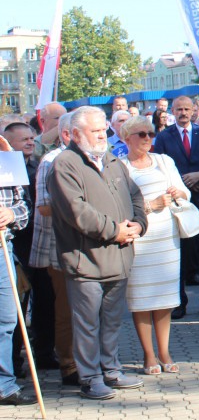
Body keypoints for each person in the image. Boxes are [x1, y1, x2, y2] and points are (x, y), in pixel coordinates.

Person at [48, 106, 148, 400]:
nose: (102, 135)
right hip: (86, 261)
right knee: (87, 323)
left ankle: (111, 370)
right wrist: (114, 230)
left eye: (103, 129)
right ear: (76, 134)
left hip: (120, 256)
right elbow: (76, 211)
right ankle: (90, 378)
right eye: (95, 131)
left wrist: (138, 225)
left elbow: (135, 196)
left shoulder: (112, 160)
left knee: (112, 320)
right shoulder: (64, 164)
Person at [119, 116, 189, 375]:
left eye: (150, 133)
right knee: (141, 299)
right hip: (139, 238)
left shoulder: (164, 161)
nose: (148, 138)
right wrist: (151, 206)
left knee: (165, 298)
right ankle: (148, 354)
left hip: (166, 238)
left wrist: (179, 194)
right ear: (127, 138)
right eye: (141, 134)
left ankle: (165, 351)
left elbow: (184, 191)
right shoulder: (120, 167)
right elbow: (121, 206)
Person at [153, 95, 199, 319]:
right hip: (177, 201)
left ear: (194, 111)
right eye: (178, 109)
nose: (183, 113)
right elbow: (159, 166)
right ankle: (178, 302)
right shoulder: (164, 137)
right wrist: (177, 185)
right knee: (180, 254)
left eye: (187, 109)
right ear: (172, 111)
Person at [30, 113, 78, 387]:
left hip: (89, 247)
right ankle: (69, 365)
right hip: (60, 247)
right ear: (68, 134)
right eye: (91, 131)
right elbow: (44, 207)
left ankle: (90, 360)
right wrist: (86, 214)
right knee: (66, 310)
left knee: (87, 309)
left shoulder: (96, 159)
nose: (100, 137)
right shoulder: (51, 161)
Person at [0, 133, 31, 406]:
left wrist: (11, 215)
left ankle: (4, 385)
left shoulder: (6, 160)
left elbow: (23, 206)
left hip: (2, 249)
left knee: (7, 318)